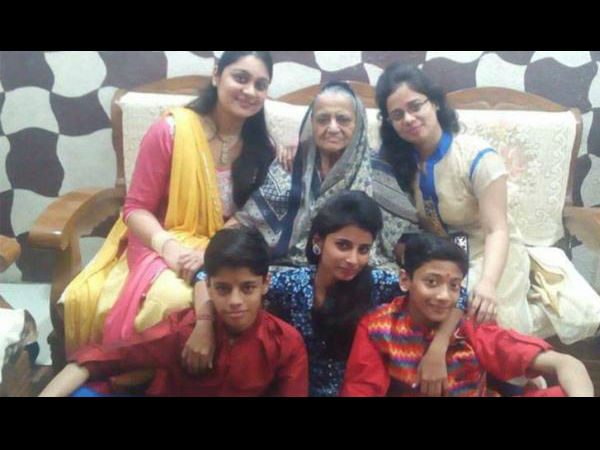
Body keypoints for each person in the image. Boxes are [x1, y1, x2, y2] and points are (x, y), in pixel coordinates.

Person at [61, 52, 277, 368]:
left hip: (222, 247)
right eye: (240, 78)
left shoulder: (261, 147)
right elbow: (135, 208)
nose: (249, 91)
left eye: (260, 84)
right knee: (175, 299)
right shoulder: (172, 130)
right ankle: (146, 378)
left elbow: (252, 214)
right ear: (217, 75)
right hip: (161, 241)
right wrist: (170, 247)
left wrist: (211, 251)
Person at [375, 62, 600, 345]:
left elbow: (497, 230)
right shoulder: (398, 163)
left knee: (478, 318)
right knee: (424, 311)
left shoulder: (476, 156)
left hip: (492, 253)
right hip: (444, 256)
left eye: (415, 106)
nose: (408, 118)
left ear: (434, 103)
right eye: (397, 115)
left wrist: (488, 284)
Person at [195, 191, 467, 396]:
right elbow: (204, 275)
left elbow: (459, 296)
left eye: (363, 249)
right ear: (318, 241)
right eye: (343, 245)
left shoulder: (378, 284)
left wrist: (438, 347)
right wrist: (203, 324)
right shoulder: (293, 284)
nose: (353, 259)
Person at [39, 226, 308, 397]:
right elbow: (98, 359)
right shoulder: (183, 331)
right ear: (208, 286)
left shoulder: (285, 344)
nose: (235, 301)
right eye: (223, 289)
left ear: (265, 284)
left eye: (247, 288)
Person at [341, 233, 594, 397]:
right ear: (405, 280)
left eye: (453, 285)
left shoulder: (471, 327)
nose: (444, 296)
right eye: (431, 282)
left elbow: (569, 365)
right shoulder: (378, 328)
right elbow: (361, 390)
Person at [235, 81, 418, 272]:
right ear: (312, 123)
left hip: (359, 270)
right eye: (323, 119)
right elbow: (246, 223)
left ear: (358, 123)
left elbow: (405, 237)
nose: (332, 128)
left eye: (343, 119)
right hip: (293, 269)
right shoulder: (290, 164)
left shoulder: (378, 172)